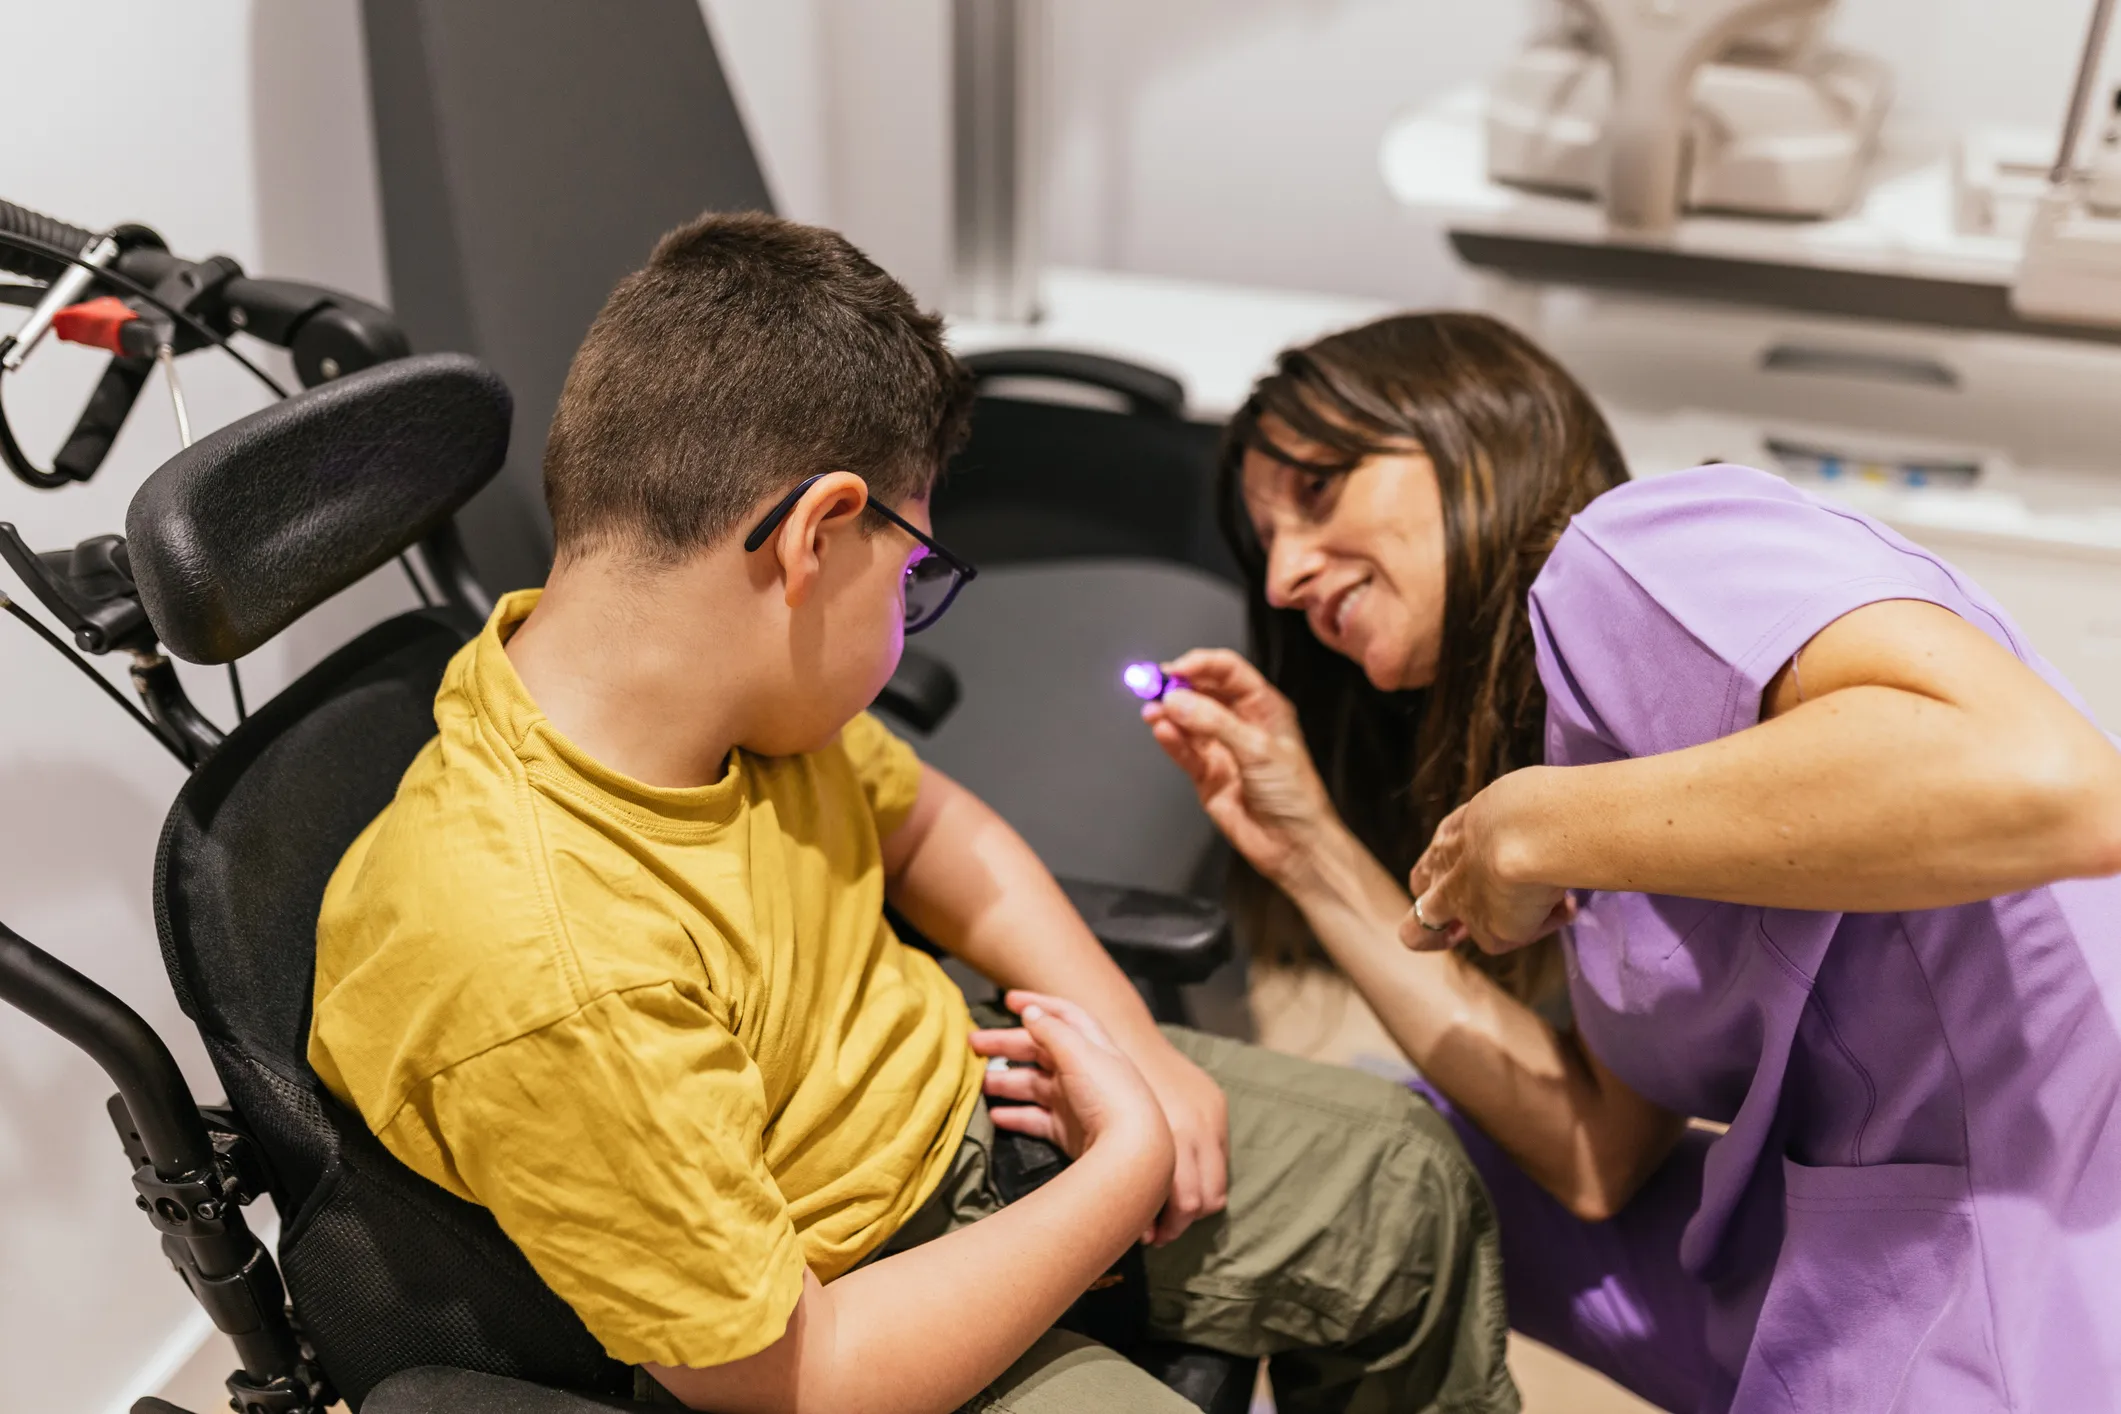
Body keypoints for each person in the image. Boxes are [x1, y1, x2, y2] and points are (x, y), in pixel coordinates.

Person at [307, 214, 1515, 1414]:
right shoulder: (553, 966)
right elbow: (803, 1374)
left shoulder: (696, 697)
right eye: (913, 573)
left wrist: (1132, 1042)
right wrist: (1126, 1158)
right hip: (856, 1311)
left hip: (975, 1108)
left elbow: (934, 827)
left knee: (1411, 1185)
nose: (906, 614)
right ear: (821, 534)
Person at [1142, 311, 2121, 1414]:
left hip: (2029, 1270)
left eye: (1318, 491)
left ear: (1475, 432)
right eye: (1265, 542)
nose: (1282, 578)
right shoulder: (1588, 740)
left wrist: (1533, 824)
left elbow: (2054, 782)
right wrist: (1304, 842)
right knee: (1389, 1139)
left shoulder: (1633, 546)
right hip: (1862, 1238)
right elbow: (1597, 1151)